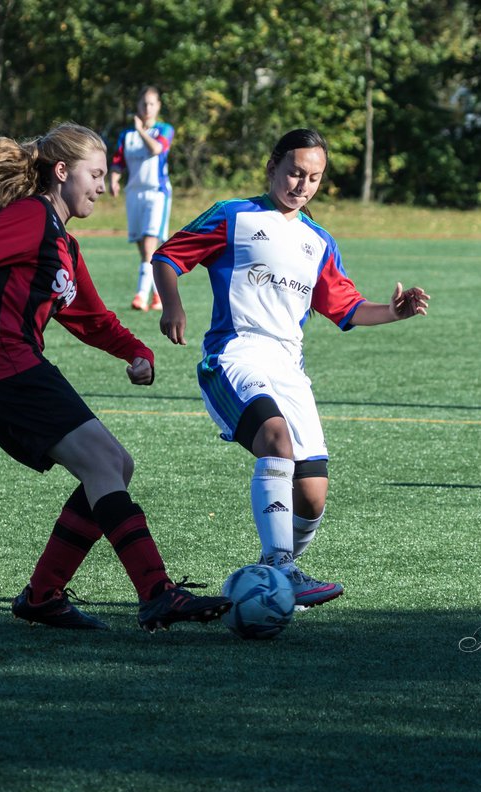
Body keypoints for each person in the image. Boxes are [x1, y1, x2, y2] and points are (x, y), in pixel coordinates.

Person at [0, 122, 230, 633]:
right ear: (62, 172)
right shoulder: (29, 217)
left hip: (14, 365)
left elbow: (90, 317)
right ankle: (156, 593)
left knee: (115, 465)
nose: (103, 186)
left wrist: (133, 350)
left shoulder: (63, 243)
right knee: (106, 462)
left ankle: (42, 597)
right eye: (96, 174)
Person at [152, 128, 430, 609]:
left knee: (314, 493)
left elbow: (345, 306)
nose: (302, 185)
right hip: (235, 356)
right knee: (275, 439)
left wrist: (393, 311)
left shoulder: (317, 241)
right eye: (295, 172)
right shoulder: (233, 215)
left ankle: (276, 580)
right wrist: (171, 305)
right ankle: (280, 565)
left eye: (314, 178)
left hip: (289, 368)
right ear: (273, 168)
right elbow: (168, 257)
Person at [110, 86, 174, 311]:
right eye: (143, 104)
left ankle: (140, 295)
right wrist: (114, 180)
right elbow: (118, 162)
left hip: (156, 193)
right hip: (134, 193)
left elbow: (157, 149)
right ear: (137, 106)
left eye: (151, 104)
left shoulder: (164, 130)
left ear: (158, 107)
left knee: (149, 245)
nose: (147, 108)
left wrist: (142, 131)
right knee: (143, 249)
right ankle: (158, 296)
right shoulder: (126, 135)